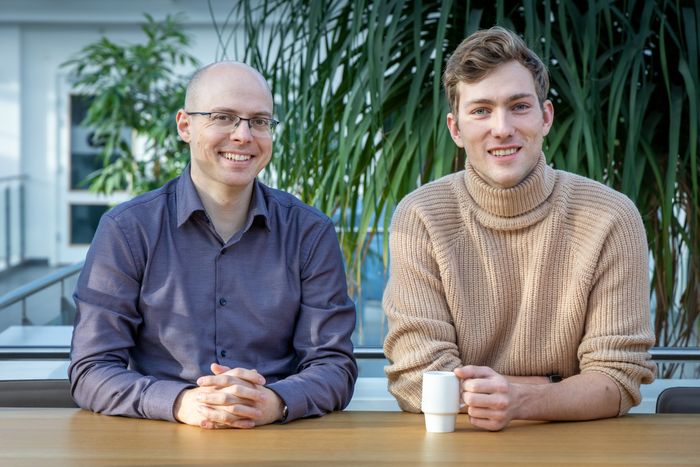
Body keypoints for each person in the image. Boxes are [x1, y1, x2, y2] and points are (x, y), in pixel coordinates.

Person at [383, 26, 656, 431]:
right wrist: (556, 387)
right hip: (460, 448)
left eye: (518, 106)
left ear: (545, 117)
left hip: (578, 449)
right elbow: (417, 378)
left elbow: (618, 378)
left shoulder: (611, 217)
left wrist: (524, 398)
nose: (502, 128)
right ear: (456, 129)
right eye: (480, 110)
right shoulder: (420, 216)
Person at [69, 61, 358, 429]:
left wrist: (273, 401)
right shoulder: (127, 230)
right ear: (185, 126)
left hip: (279, 439)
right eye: (223, 117)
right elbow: (90, 370)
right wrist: (181, 403)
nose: (243, 135)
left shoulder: (309, 232)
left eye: (260, 121)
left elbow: (334, 365)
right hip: (162, 438)